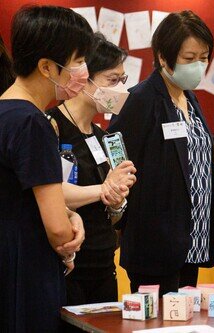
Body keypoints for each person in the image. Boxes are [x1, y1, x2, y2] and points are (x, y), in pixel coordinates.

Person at [109, 10, 214, 296]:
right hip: (155, 244)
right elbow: (117, 161)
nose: (198, 65)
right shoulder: (141, 99)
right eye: (189, 58)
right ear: (163, 57)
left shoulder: (190, 98)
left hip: (192, 240)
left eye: (204, 57)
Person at [0, 5, 91, 331]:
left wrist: (69, 214)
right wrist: (70, 233)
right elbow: (56, 228)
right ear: (47, 67)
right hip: (28, 270)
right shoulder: (32, 122)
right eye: (78, 61)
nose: (83, 70)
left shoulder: (5, 111)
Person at [46, 33, 137, 305]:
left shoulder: (104, 136)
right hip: (68, 262)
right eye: (112, 80)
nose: (120, 89)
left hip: (104, 260)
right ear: (86, 79)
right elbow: (50, 192)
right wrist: (102, 189)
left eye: (123, 80)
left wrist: (117, 201)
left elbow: (114, 215)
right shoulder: (52, 125)